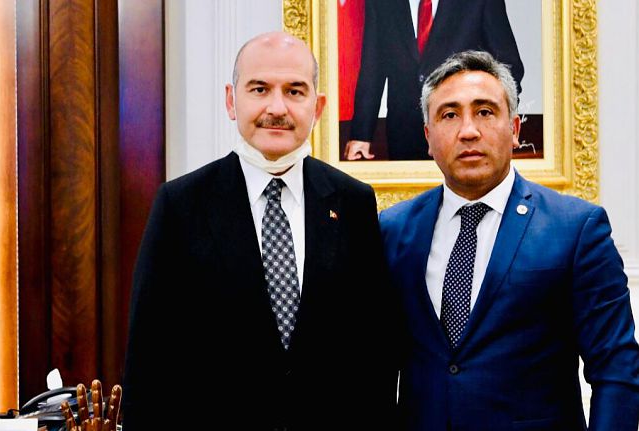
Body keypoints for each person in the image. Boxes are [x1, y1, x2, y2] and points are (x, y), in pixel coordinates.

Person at [122, 31, 397, 430]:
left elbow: (376, 352)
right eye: (259, 89)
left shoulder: (353, 203)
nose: (277, 107)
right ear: (231, 101)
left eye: (295, 91)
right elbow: (149, 362)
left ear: (318, 107)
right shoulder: (180, 206)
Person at [380, 50, 639, 430]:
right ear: (428, 137)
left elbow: (616, 368)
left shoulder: (576, 228)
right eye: (449, 115)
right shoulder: (393, 229)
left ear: (515, 129)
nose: (468, 131)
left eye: (485, 112)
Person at [344, 0, 524, 161]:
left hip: (465, 133)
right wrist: (361, 135)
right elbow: (372, 66)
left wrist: (501, 124)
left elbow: (508, 67)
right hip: (404, 136)